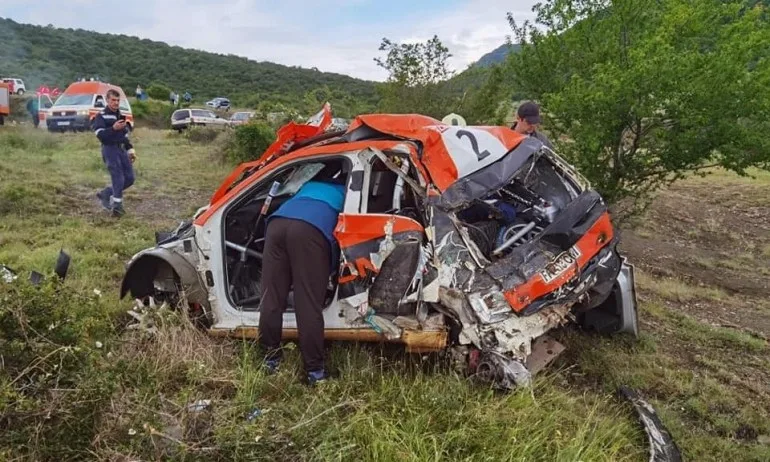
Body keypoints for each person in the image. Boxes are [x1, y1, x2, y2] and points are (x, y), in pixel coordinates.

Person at [259, 173, 346, 385]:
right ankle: (315, 372)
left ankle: (270, 360)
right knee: (307, 302)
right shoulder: (348, 190)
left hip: (277, 223)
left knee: (271, 297)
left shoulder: (310, 184)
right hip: (310, 230)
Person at [93, 89, 137, 217]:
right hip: (109, 149)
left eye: (118, 100)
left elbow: (124, 135)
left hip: (121, 149)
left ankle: (106, 193)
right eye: (113, 100)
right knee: (118, 177)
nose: (116, 103)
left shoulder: (120, 115)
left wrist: (130, 149)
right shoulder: (100, 115)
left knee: (129, 178)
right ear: (107, 100)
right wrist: (113, 128)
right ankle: (117, 208)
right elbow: (100, 135)